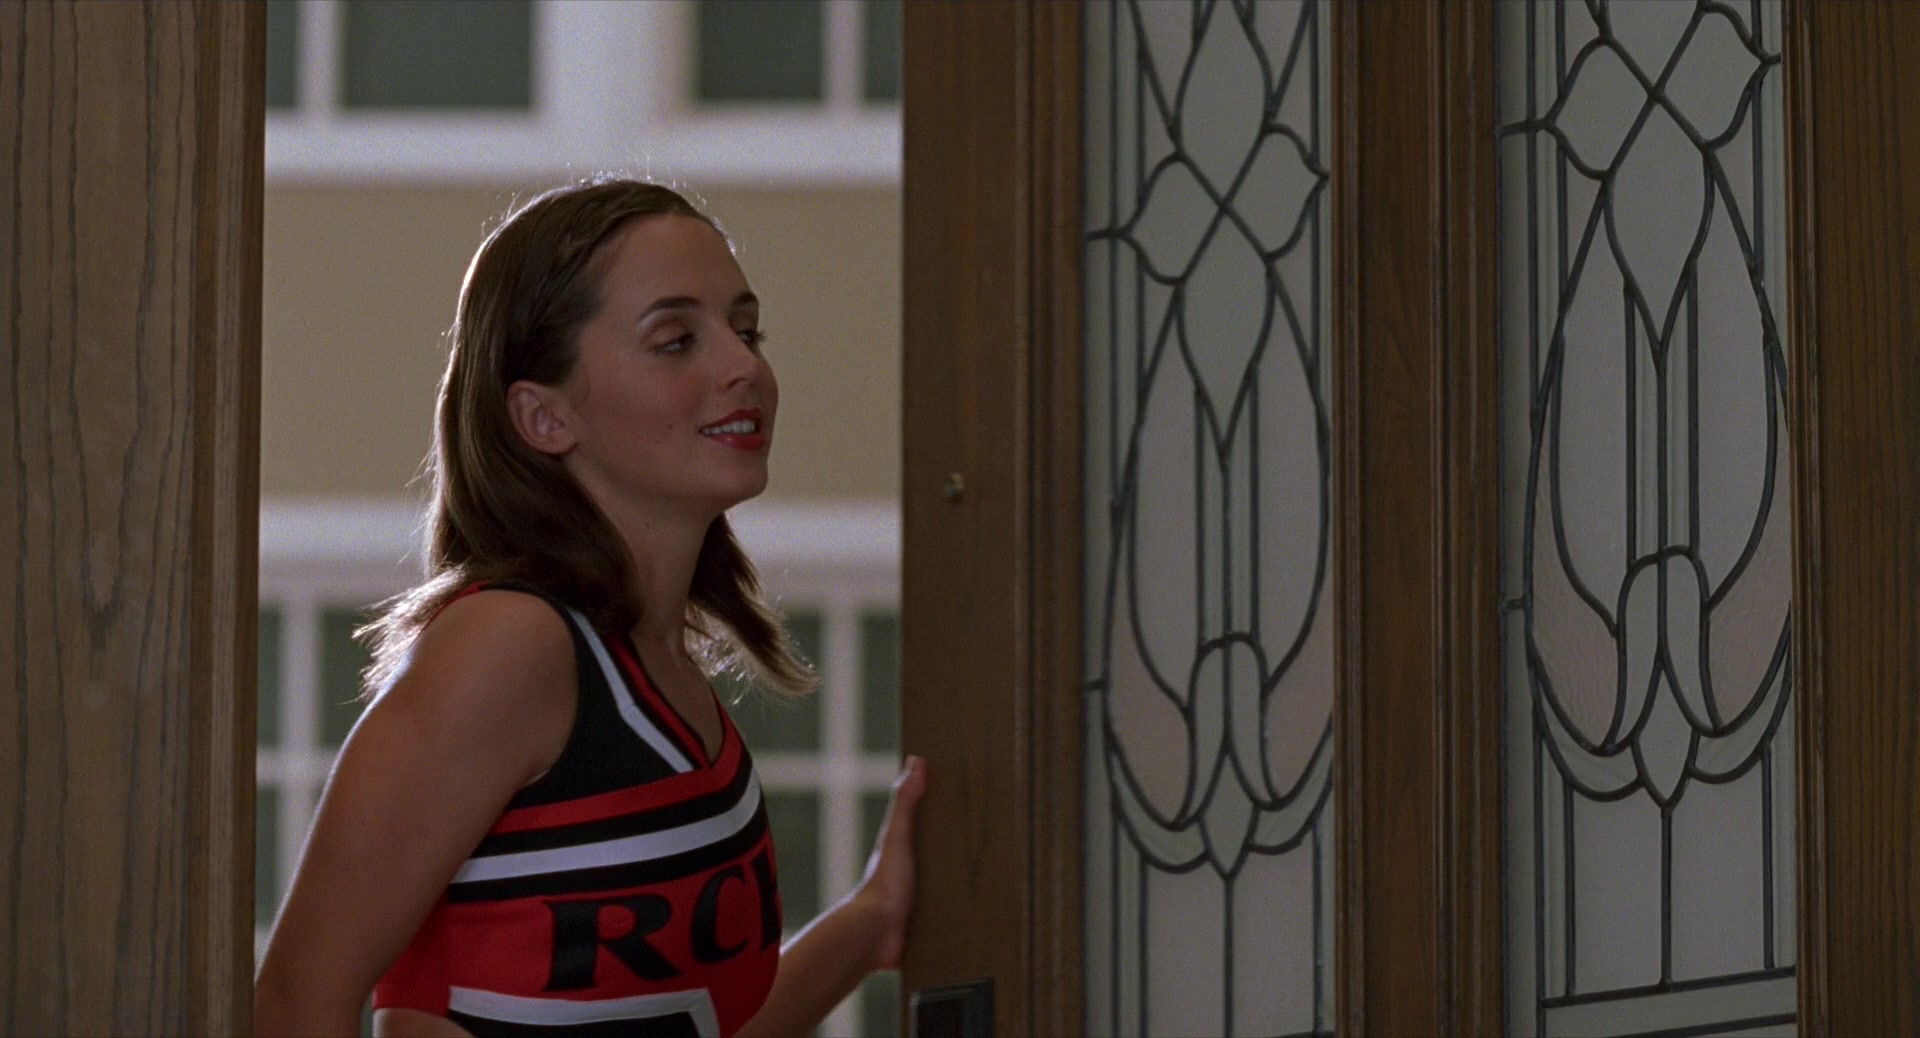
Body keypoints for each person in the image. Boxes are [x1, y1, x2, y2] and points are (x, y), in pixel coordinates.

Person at [254, 177, 926, 1038]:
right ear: (543, 416)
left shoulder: (661, 670)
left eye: (747, 330)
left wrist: (870, 923)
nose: (744, 367)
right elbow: (293, 1001)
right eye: (676, 341)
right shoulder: (509, 645)